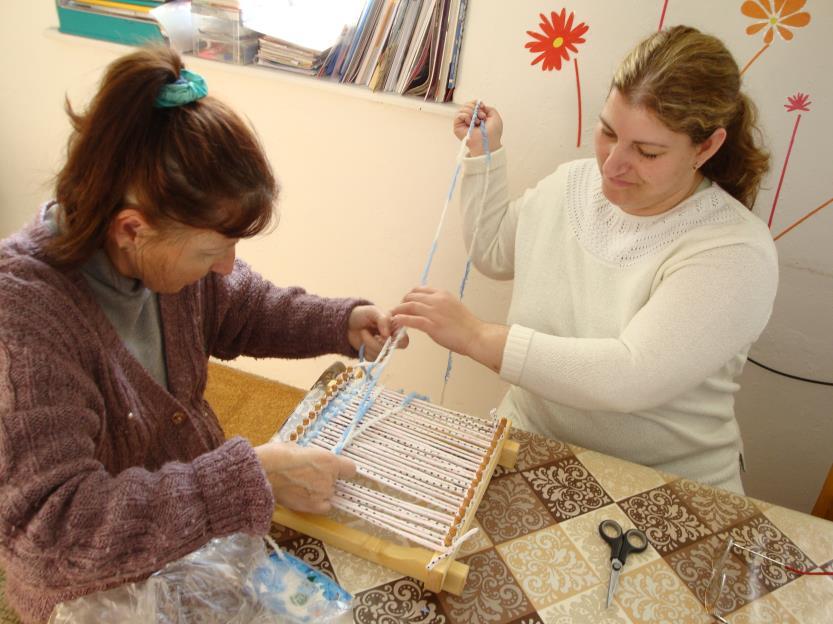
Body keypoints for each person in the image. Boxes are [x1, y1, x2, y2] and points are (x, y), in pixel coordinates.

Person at [0, 47, 397, 623]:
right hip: (94, 593)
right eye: (213, 250)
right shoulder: (22, 320)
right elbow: (54, 532)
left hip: (196, 541)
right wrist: (246, 477)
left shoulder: (162, 258)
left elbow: (245, 306)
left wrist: (340, 321)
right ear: (132, 229)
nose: (226, 267)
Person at [392, 26, 778, 495]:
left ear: (707, 147)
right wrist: (483, 153)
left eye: (647, 151)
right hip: (531, 445)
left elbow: (629, 377)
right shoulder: (572, 184)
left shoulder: (735, 250)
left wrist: (477, 336)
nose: (612, 164)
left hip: (665, 485)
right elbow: (494, 251)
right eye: (609, 132)